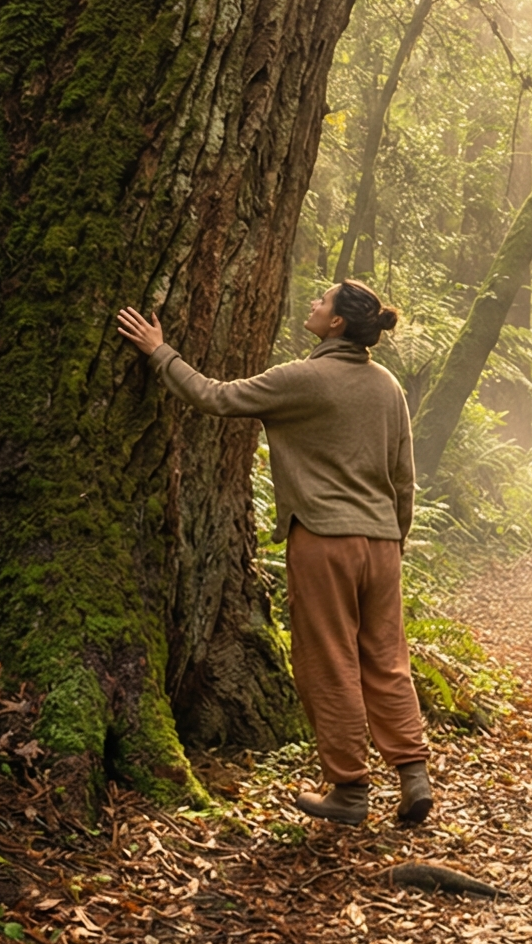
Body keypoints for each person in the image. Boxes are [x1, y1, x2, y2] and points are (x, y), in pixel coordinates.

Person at [114, 281, 431, 827]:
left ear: (336, 324)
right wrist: (394, 539)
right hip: (381, 544)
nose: (313, 303)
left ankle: (351, 791)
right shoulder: (388, 387)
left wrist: (158, 351)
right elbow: (404, 476)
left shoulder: (302, 379)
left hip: (324, 540)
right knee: (386, 658)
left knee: (329, 661)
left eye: (322, 301)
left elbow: (214, 396)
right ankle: (413, 776)